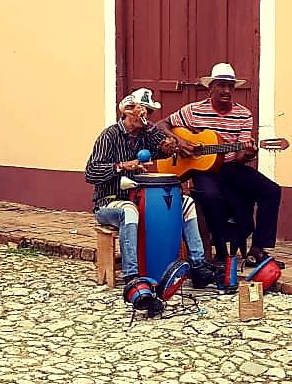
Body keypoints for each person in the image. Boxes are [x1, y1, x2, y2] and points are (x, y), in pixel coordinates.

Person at [85, 88, 216, 310]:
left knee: (187, 204)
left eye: (149, 111)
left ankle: (198, 265)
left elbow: (165, 146)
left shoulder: (147, 133)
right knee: (129, 211)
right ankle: (132, 276)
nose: (146, 114)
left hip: (141, 199)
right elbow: (91, 172)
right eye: (142, 109)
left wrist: (167, 143)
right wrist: (122, 167)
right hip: (110, 201)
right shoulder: (109, 135)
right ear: (128, 111)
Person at [157, 63, 289, 266]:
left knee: (271, 190)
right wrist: (181, 142)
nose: (226, 91)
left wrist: (248, 153)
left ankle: (258, 248)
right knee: (210, 196)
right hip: (203, 170)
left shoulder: (243, 114)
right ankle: (220, 252)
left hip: (230, 166)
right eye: (221, 85)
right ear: (211, 88)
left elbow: (239, 157)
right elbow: (161, 125)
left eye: (230, 86)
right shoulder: (194, 111)